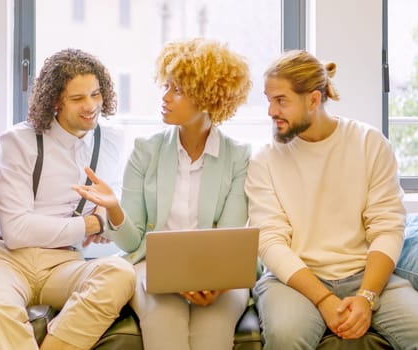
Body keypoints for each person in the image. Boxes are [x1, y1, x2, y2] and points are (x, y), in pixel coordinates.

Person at [72, 38, 252, 350]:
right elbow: (131, 242)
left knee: (212, 333)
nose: (165, 98)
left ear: (209, 97)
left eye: (177, 90)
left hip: (220, 278)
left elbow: (230, 239)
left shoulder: (239, 157)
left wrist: (214, 283)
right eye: (165, 87)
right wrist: (114, 208)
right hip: (152, 268)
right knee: (164, 326)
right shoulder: (146, 151)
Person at [244, 49, 418, 349]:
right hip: (294, 281)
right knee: (286, 334)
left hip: (366, 274)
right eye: (268, 99)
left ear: (313, 99)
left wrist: (366, 296)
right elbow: (270, 242)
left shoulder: (369, 143)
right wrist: (323, 298)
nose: (271, 111)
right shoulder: (264, 159)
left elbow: (387, 228)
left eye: (281, 100)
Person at [0, 48, 136, 350]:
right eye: (78, 98)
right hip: (4, 258)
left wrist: (103, 220)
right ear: (56, 100)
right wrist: (91, 223)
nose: (91, 106)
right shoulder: (18, 141)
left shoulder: (111, 141)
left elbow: (113, 206)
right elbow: (16, 231)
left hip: (64, 262)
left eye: (96, 95)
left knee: (120, 273)